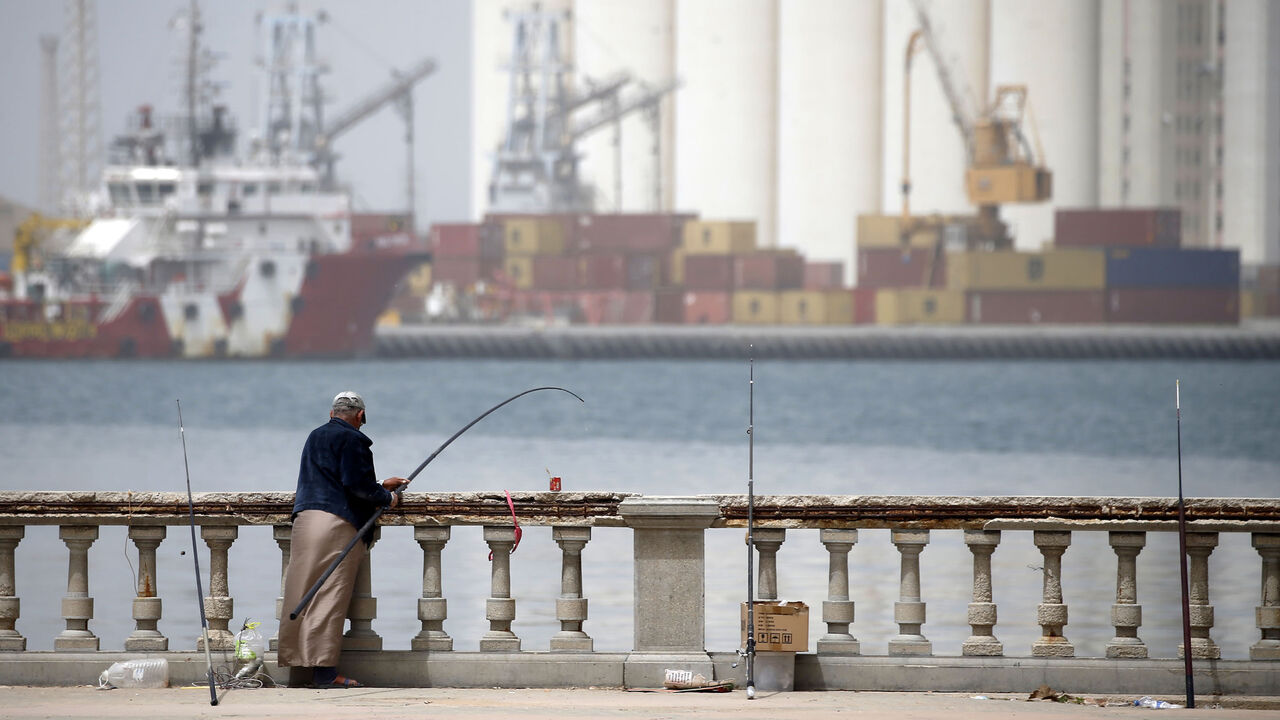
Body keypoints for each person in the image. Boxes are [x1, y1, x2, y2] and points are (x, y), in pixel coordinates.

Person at [278, 390, 408, 689]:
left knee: (302, 593)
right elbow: (356, 486)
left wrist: (377, 485)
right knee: (329, 596)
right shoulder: (353, 439)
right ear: (360, 416)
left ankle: (298, 666)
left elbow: (334, 479)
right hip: (335, 524)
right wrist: (387, 497)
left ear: (331, 413)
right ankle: (324, 673)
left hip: (306, 520)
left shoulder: (315, 436)